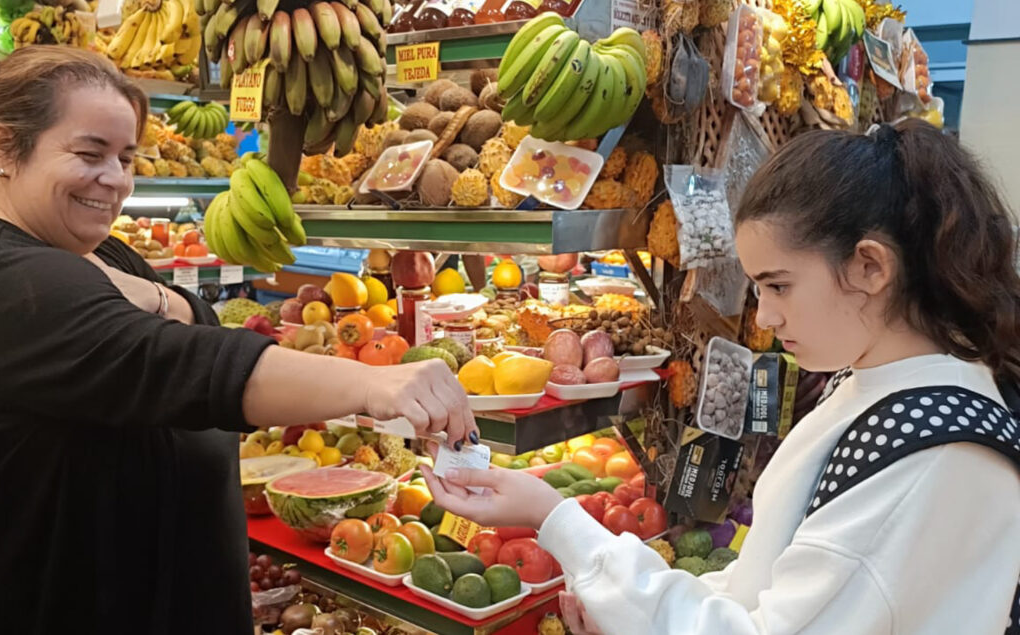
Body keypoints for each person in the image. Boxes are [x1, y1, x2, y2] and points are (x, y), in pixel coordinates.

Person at [0, 46, 477, 634]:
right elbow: (188, 361)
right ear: (5, 145)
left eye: (126, 157)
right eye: (89, 153)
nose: (115, 180)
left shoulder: (91, 253)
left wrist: (163, 299)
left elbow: (197, 325)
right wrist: (374, 384)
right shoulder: (2, 283)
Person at [423, 120, 1020, 635]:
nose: (764, 315)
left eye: (779, 285)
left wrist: (557, 519)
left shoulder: (929, 457)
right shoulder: (882, 384)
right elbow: (771, 587)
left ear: (869, 265)